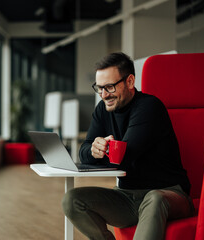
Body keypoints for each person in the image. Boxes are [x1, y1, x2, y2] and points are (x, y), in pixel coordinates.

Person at [62, 52, 194, 240]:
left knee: (154, 199)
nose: (103, 95)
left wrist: (101, 151)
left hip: (170, 194)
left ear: (130, 81)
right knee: (72, 200)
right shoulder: (102, 109)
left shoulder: (149, 107)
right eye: (99, 88)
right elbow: (84, 151)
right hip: (128, 197)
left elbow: (123, 157)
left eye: (109, 87)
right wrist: (94, 150)